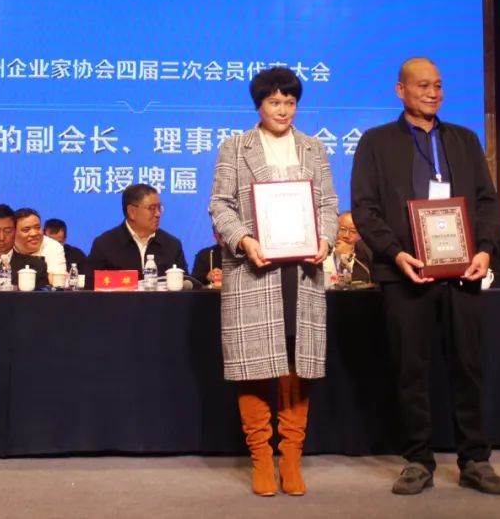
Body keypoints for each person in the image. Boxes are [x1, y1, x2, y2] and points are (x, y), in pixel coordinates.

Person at [351, 57, 500, 496]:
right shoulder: (376, 142)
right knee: (410, 371)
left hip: (463, 273)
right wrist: (396, 253)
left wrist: (484, 249)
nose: (433, 93)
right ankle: (417, 460)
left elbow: (486, 201)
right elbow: (364, 208)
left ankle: (475, 460)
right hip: (405, 274)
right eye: (422, 85)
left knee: (469, 369)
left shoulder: (464, 139)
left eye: (438, 85)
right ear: (400, 90)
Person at [208, 66, 338, 497]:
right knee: (253, 367)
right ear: (259, 105)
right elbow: (220, 205)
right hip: (254, 270)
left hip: (302, 271)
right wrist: (244, 240)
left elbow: (328, 204)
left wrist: (326, 239)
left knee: (298, 366)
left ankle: (292, 458)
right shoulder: (235, 147)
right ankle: (262, 458)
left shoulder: (313, 147)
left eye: (290, 102)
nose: (283, 110)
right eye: (274, 102)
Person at [87, 184, 188, 288]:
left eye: (159, 208)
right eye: (152, 208)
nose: (158, 214)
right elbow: (90, 286)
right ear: (132, 212)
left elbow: (186, 285)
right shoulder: (104, 245)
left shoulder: (172, 245)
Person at [12, 208, 67, 277]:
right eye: (26, 230)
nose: (34, 233)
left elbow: (56, 281)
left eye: (37, 227)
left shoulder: (53, 247)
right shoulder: (4, 248)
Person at [326, 211, 373, 285]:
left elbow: (364, 280)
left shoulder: (366, 254)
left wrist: (347, 256)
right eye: (342, 229)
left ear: (361, 234)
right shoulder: (325, 251)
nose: (346, 235)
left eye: (353, 231)